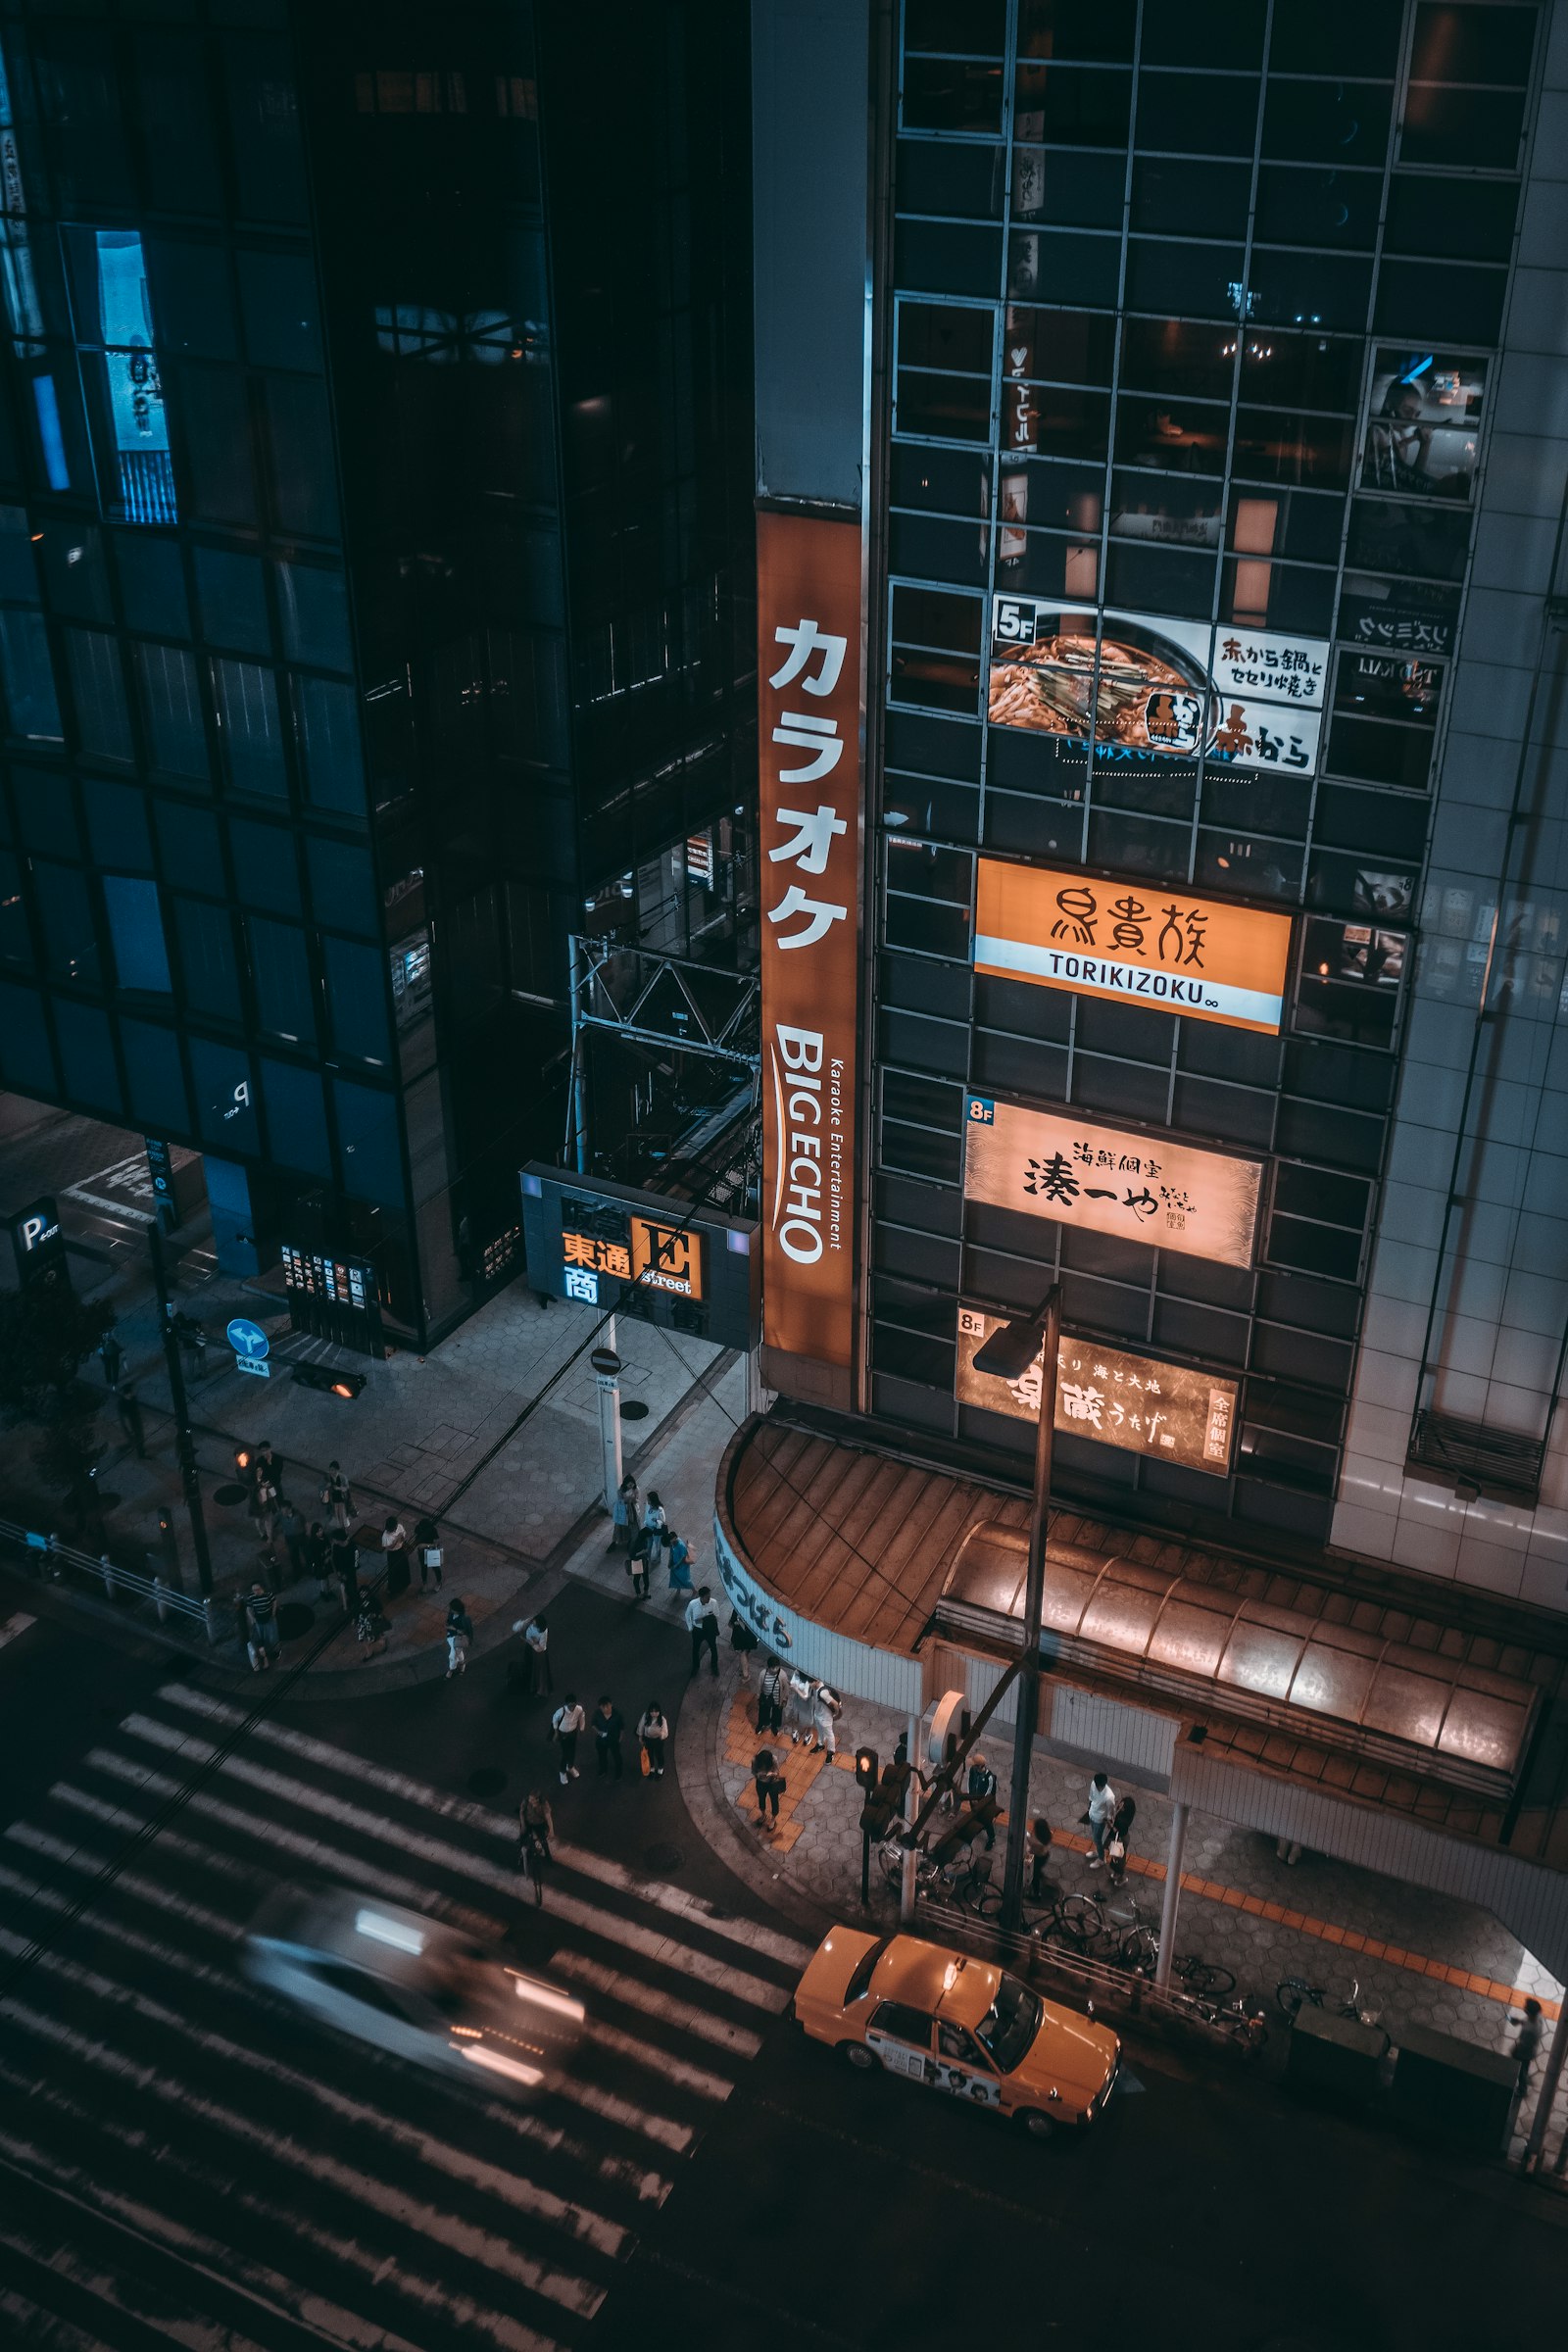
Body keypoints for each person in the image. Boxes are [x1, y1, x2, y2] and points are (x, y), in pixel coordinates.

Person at [517, 1789, 554, 1903]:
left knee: (543, 1842)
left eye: (532, 1799)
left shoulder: (544, 1805)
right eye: (529, 1798)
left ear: (537, 1800)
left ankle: (548, 1856)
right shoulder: (525, 1802)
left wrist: (551, 1830)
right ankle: (521, 1855)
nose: (530, 1800)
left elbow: (548, 1817)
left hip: (539, 1825)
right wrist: (523, 1825)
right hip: (528, 1824)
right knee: (523, 1839)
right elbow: (522, 1813)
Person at [964, 1751, 999, 1850]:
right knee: (976, 1816)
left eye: (974, 1765)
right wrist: (970, 1797)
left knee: (987, 1821)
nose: (972, 1767)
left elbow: (989, 1793)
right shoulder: (972, 1771)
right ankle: (979, 1826)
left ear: (979, 1766)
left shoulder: (990, 1777)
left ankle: (991, 1838)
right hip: (974, 1800)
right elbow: (969, 1783)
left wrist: (979, 1802)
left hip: (985, 1804)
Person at [1512, 1998, 1544, 2101]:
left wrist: (1515, 2050)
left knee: (1521, 2070)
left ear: (1529, 2012)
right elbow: (1529, 2021)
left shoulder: (1530, 2030)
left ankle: (1522, 2089)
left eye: (1525, 2007)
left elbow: (1524, 2044)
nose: (1524, 2007)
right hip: (1530, 2051)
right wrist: (1521, 2022)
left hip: (1524, 2053)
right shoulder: (1538, 2018)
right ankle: (1525, 2078)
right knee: (1524, 2067)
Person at [685, 1586, 720, 1678]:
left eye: (709, 1596)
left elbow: (717, 1615)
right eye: (707, 1597)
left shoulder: (714, 1603)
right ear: (701, 1597)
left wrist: (708, 1621)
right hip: (698, 1630)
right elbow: (687, 1615)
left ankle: (714, 1666)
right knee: (695, 1648)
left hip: (710, 1630)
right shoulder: (692, 1604)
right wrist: (690, 1627)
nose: (709, 1598)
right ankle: (695, 1667)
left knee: (713, 1647)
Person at [1084, 1771, 1118, 1868]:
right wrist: (1089, 1809)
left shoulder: (1109, 1796)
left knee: (1097, 1839)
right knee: (1095, 1837)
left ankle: (1101, 1858)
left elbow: (1111, 1812)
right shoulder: (1093, 1784)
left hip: (1100, 1820)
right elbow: (1091, 1797)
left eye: (1100, 1786)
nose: (1098, 1788)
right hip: (1092, 1814)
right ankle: (1098, 1851)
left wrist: (1108, 1821)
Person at [514, 1611, 552, 1694]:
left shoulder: (543, 1632)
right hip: (530, 1648)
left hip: (538, 1653)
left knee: (538, 1670)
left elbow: (541, 1647)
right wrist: (525, 1622)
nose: (533, 1622)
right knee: (528, 1665)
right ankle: (529, 1684)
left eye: (534, 1621)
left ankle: (538, 1688)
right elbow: (516, 1627)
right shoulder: (530, 1623)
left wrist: (531, 1642)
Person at [552, 1691, 586, 1783]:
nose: (572, 1708)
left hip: (573, 1733)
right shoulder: (561, 1711)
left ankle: (570, 1767)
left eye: (573, 1706)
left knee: (573, 1751)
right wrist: (556, 1732)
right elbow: (554, 1720)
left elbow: (582, 1717)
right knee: (565, 1753)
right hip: (563, 1734)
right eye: (570, 1706)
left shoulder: (579, 1709)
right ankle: (562, 1771)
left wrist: (582, 1729)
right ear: (566, 1704)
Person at [244, 1582, 278, 1673]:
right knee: (262, 1637)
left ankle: (274, 1651)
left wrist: (273, 1613)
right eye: (254, 1590)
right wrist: (252, 1618)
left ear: (262, 1588)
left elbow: (274, 1601)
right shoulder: (251, 1597)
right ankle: (265, 1655)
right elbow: (248, 1608)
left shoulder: (268, 1595)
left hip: (269, 1618)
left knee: (272, 1636)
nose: (256, 1592)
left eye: (258, 1589)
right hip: (259, 1620)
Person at [593, 1694, 625, 1780]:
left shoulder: (617, 1715)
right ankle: (603, 1769)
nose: (605, 1709)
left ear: (611, 1704)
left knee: (617, 1756)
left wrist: (620, 1738)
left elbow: (622, 1727)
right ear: (600, 1707)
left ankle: (619, 1772)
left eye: (607, 1706)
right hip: (601, 1740)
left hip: (614, 1740)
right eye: (603, 1707)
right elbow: (593, 1724)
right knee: (602, 1756)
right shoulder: (597, 1714)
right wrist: (598, 1732)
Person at [808, 1679, 843, 1760]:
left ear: (816, 1681)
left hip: (826, 1717)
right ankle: (820, 1745)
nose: (809, 1684)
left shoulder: (823, 1692)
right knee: (820, 1731)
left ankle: (831, 1752)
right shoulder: (815, 1687)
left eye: (811, 1682)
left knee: (829, 1735)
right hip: (817, 1714)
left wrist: (836, 1714)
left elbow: (835, 1704)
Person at [757, 1653, 789, 1738]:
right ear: (768, 1667)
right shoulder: (763, 1674)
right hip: (766, 1698)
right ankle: (762, 1724)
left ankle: (774, 1726)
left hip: (778, 1700)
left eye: (776, 1667)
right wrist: (758, 1697)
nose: (775, 1669)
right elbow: (759, 1686)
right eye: (772, 1667)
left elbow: (786, 1688)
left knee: (777, 1714)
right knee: (763, 1712)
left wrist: (785, 1699)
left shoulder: (782, 1675)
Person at [753, 1750, 785, 1832]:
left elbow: (777, 1772)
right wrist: (759, 1775)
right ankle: (763, 1815)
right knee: (761, 1798)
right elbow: (753, 1772)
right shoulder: (755, 1761)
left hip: (772, 1783)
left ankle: (773, 1819)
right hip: (760, 1783)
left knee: (774, 1801)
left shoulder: (773, 1759)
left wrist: (771, 1774)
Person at [275, 1496, 305, 1585]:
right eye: (282, 1510)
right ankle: (297, 1573)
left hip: (300, 1536)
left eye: (284, 1510)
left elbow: (304, 1523)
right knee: (293, 1557)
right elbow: (273, 1522)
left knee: (306, 1553)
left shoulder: (298, 1515)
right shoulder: (280, 1514)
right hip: (290, 1538)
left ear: (289, 1509)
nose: (283, 1512)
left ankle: (311, 1569)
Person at [331, 1527, 359, 1618]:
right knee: (345, 1587)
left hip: (350, 1572)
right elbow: (335, 1559)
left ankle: (355, 1603)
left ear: (339, 1539)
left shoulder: (352, 1546)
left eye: (334, 1539)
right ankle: (349, 1601)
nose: (333, 1541)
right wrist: (339, 1572)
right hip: (342, 1572)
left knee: (352, 1587)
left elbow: (355, 1561)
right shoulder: (336, 1546)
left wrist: (348, 1573)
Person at [786, 1666, 815, 1746]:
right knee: (795, 1716)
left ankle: (808, 1734)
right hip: (798, 1700)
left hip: (808, 1702)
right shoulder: (797, 1672)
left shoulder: (808, 1681)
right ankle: (795, 1732)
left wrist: (796, 1689)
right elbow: (791, 1684)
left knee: (809, 1720)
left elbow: (805, 1697)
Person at [638, 1701, 669, 1778]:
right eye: (652, 1711)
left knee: (659, 1755)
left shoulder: (662, 1720)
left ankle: (660, 1769)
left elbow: (665, 1732)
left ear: (659, 1711)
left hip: (658, 1740)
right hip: (648, 1739)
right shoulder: (645, 1716)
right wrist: (640, 1736)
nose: (654, 1713)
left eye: (656, 1711)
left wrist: (660, 1735)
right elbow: (641, 1725)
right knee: (649, 1754)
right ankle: (651, 1768)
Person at [115, 1378, 145, 1458]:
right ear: (125, 1394)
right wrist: (130, 1429)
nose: (131, 1394)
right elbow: (124, 1418)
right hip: (130, 1424)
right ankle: (141, 1455)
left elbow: (135, 1409)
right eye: (130, 1393)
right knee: (138, 1439)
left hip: (135, 1421)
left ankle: (124, 1448)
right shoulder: (122, 1403)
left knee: (135, 1439)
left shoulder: (132, 1398)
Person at [729, 1606, 760, 1685]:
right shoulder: (756, 1610)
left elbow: (730, 1624)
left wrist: (737, 1625)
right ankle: (744, 1668)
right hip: (751, 1636)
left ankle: (745, 1676)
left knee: (743, 1654)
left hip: (741, 1636)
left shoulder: (738, 1608)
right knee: (746, 1652)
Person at [305, 1518, 333, 1601]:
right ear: (315, 1533)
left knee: (326, 1578)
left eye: (321, 1530)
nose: (321, 1532)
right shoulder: (313, 1543)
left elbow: (329, 1546)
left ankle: (328, 1591)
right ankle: (325, 1592)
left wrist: (328, 1554)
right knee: (323, 1579)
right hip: (320, 1564)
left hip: (327, 1561)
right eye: (318, 1531)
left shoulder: (325, 1537)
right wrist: (324, 1554)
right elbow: (314, 1556)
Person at [355, 1590, 389, 1657]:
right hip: (363, 1623)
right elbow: (357, 1611)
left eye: (364, 1593)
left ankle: (383, 1641)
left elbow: (379, 1609)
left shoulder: (373, 1600)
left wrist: (375, 1615)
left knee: (373, 1639)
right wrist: (356, 1619)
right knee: (362, 1638)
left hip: (371, 1622)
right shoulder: (359, 1602)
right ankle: (369, 1652)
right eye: (361, 1593)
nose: (362, 1595)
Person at [321, 1459, 354, 1533]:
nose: (332, 1472)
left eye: (333, 1470)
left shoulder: (343, 1477)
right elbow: (323, 1488)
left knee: (343, 1515)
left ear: (337, 1470)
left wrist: (338, 1488)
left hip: (342, 1499)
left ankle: (344, 1530)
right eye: (330, 1470)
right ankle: (339, 1529)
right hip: (333, 1500)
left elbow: (347, 1488)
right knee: (335, 1515)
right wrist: (327, 1487)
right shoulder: (328, 1477)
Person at [627, 1517, 655, 1602]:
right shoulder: (637, 1542)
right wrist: (642, 1552)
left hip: (644, 1561)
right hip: (637, 1562)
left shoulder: (643, 1539)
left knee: (646, 1578)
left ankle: (645, 1593)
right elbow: (632, 1554)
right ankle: (639, 1594)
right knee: (637, 1578)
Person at [445, 1596, 472, 1678]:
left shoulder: (464, 1618)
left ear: (457, 1609)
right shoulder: (451, 1613)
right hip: (451, 1637)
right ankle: (462, 1664)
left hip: (459, 1639)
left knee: (452, 1656)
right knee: (458, 1653)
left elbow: (465, 1631)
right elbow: (447, 1624)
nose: (451, 1610)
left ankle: (451, 1670)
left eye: (452, 1609)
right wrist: (450, 1627)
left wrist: (453, 1628)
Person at [415, 1515, 443, 1592]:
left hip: (432, 1550)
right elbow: (416, 1538)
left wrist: (425, 1545)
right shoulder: (418, 1528)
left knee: (435, 1568)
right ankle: (425, 1584)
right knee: (423, 1568)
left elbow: (437, 1543)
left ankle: (439, 1582)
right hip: (422, 1552)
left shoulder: (432, 1530)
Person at [665, 1530, 694, 1594]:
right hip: (675, 1563)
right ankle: (678, 1588)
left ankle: (694, 1590)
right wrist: (670, 1561)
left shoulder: (681, 1545)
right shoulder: (673, 1543)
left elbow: (683, 1558)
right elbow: (671, 1551)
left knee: (685, 1579)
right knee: (676, 1577)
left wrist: (676, 1566)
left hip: (682, 1566)